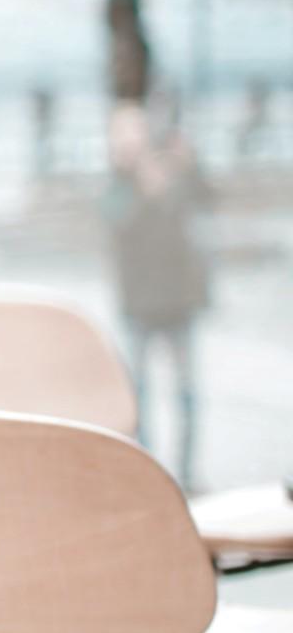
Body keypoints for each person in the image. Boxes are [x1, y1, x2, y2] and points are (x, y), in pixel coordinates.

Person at [103, 96, 212, 492]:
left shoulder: (168, 168)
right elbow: (120, 227)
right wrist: (143, 187)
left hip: (178, 300)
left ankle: (187, 472)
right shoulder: (118, 182)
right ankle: (148, 475)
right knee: (139, 396)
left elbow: (204, 199)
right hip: (140, 305)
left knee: (186, 392)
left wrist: (186, 164)